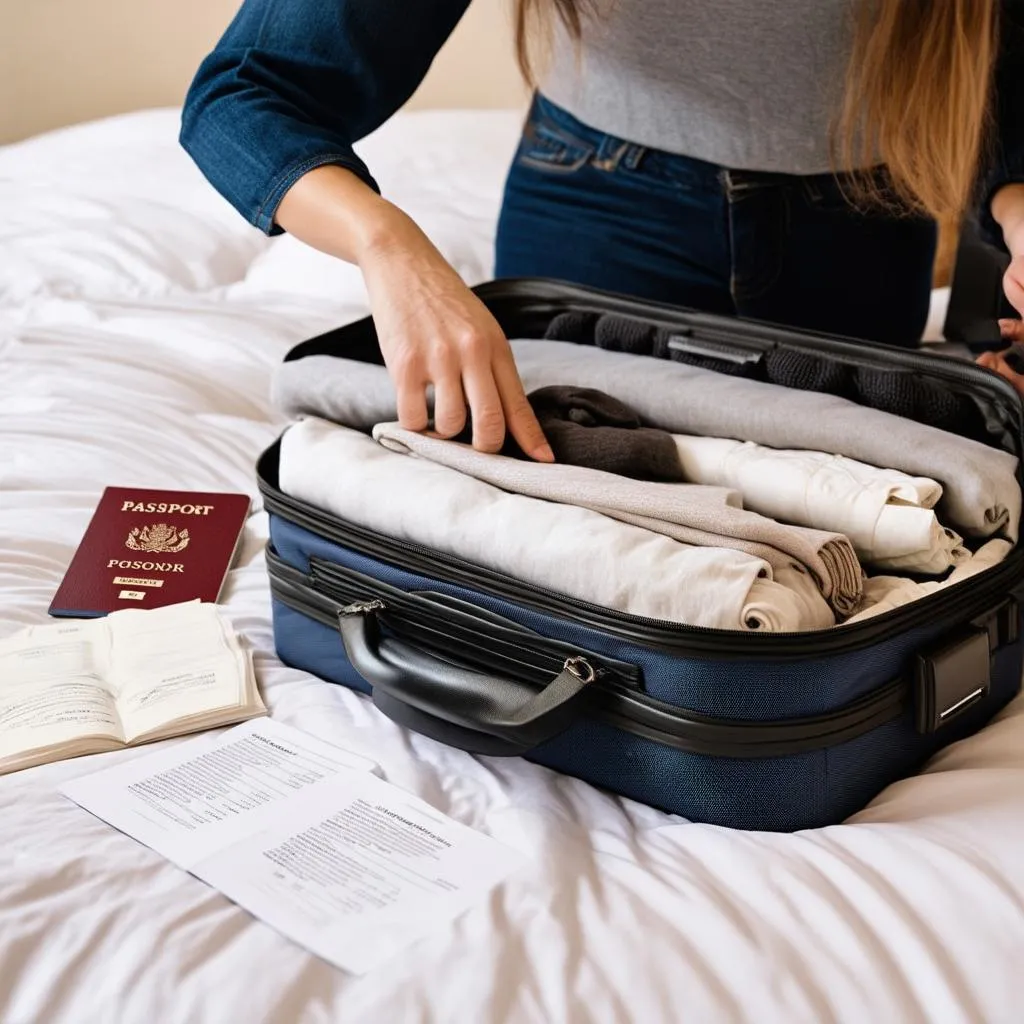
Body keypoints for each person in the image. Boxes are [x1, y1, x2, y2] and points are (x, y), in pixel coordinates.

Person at [181, 1, 1024, 458]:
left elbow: (997, 64)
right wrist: (391, 250)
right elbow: (247, 94)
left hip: (865, 240)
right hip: (604, 215)